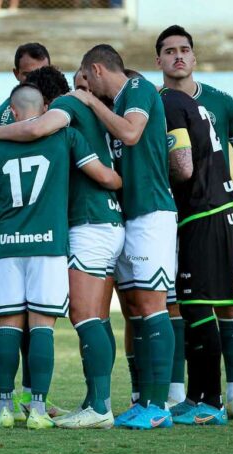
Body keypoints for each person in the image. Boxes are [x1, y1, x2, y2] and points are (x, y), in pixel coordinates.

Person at [0, 66, 124, 429]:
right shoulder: (65, 137)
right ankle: (36, 409)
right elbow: (107, 177)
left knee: (8, 327)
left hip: (7, 243)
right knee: (42, 327)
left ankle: (4, 407)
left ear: (13, 113)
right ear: (46, 109)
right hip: (49, 243)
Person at [156, 25, 233, 420]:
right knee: (179, 304)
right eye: (169, 51)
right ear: (158, 60)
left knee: (224, 304)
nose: (178, 56)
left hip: (209, 213)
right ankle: (182, 394)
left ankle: (231, 395)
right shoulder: (155, 103)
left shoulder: (222, 102)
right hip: (174, 216)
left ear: (194, 57)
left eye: (184, 50)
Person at [72, 44, 177, 430]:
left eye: (84, 81)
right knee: (134, 309)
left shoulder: (137, 89)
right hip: (129, 216)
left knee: (152, 307)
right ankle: (143, 399)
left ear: (97, 70)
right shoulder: (114, 105)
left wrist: (89, 102)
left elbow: (132, 134)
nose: (83, 89)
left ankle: (158, 405)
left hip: (151, 212)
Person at [159, 85, 233, 426]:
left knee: (200, 306)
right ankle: (195, 396)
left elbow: (184, 167)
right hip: (207, 210)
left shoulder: (169, 104)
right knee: (191, 307)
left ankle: (214, 402)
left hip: (205, 212)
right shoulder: (183, 103)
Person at [0, 43, 51, 126]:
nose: (36, 78)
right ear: (16, 74)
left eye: (42, 73)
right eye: (28, 74)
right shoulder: (3, 118)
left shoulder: (65, 104)